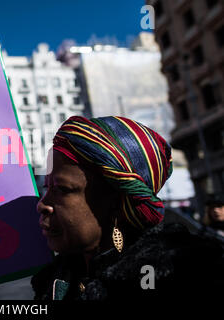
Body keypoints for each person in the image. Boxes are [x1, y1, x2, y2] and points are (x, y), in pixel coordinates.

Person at [32, 116, 224, 301]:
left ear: (118, 201)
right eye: (46, 188)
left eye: (62, 189)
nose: (42, 205)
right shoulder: (54, 281)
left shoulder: (184, 273)